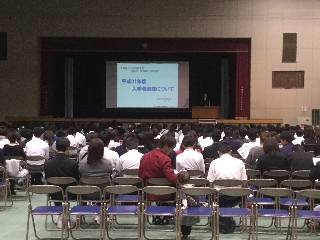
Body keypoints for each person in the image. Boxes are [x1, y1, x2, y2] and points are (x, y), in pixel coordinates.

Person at [44, 137, 79, 229]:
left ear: (56, 147)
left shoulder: (47, 163)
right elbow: (77, 180)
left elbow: (47, 179)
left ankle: (60, 215)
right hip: (71, 194)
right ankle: (65, 216)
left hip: (54, 194)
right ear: (68, 148)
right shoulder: (73, 164)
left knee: (57, 189)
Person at [207, 142, 247, 207]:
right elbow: (244, 182)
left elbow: (210, 183)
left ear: (218, 152)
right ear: (231, 152)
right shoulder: (240, 162)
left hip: (219, 196)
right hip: (236, 196)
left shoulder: (214, 163)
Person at [138, 134, 178, 200]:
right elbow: (171, 178)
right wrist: (179, 175)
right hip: (163, 193)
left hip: (147, 192)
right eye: (171, 148)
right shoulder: (164, 159)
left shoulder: (145, 156)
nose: (171, 151)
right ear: (165, 146)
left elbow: (140, 175)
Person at [177, 170, 202, 239]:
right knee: (188, 225)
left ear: (178, 181)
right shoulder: (194, 188)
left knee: (183, 223)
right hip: (195, 210)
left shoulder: (180, 190)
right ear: (190, 180)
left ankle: (183, 234)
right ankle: (185, 234)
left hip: (183, 210)